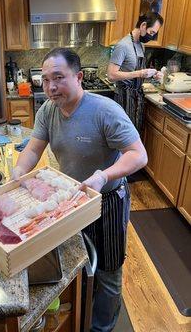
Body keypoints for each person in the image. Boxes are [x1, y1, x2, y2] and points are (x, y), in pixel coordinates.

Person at [12, 48, 148, 332]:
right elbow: (34, 147)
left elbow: (138, 155)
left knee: (109, 273)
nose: (51, 87)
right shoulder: (48, 110)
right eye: (46, 79)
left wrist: (102, 176)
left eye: (59, 78)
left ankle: (102, 327)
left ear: (79, 77)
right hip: (71, 201)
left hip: (107, 201)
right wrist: (18, 173)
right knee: (79, 263)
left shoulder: (105, 111)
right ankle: (80, 318)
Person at [107, 11, 164, 132]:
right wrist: (139, 73)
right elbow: (111, 75)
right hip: (124, 97)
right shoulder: (123, 45)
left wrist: (153, 74)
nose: (152, 37)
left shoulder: (141, 45)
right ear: (143, 25)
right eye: (151, 32)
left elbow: (137, 72)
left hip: (137, 97)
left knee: (135, 135)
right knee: (124, 135)